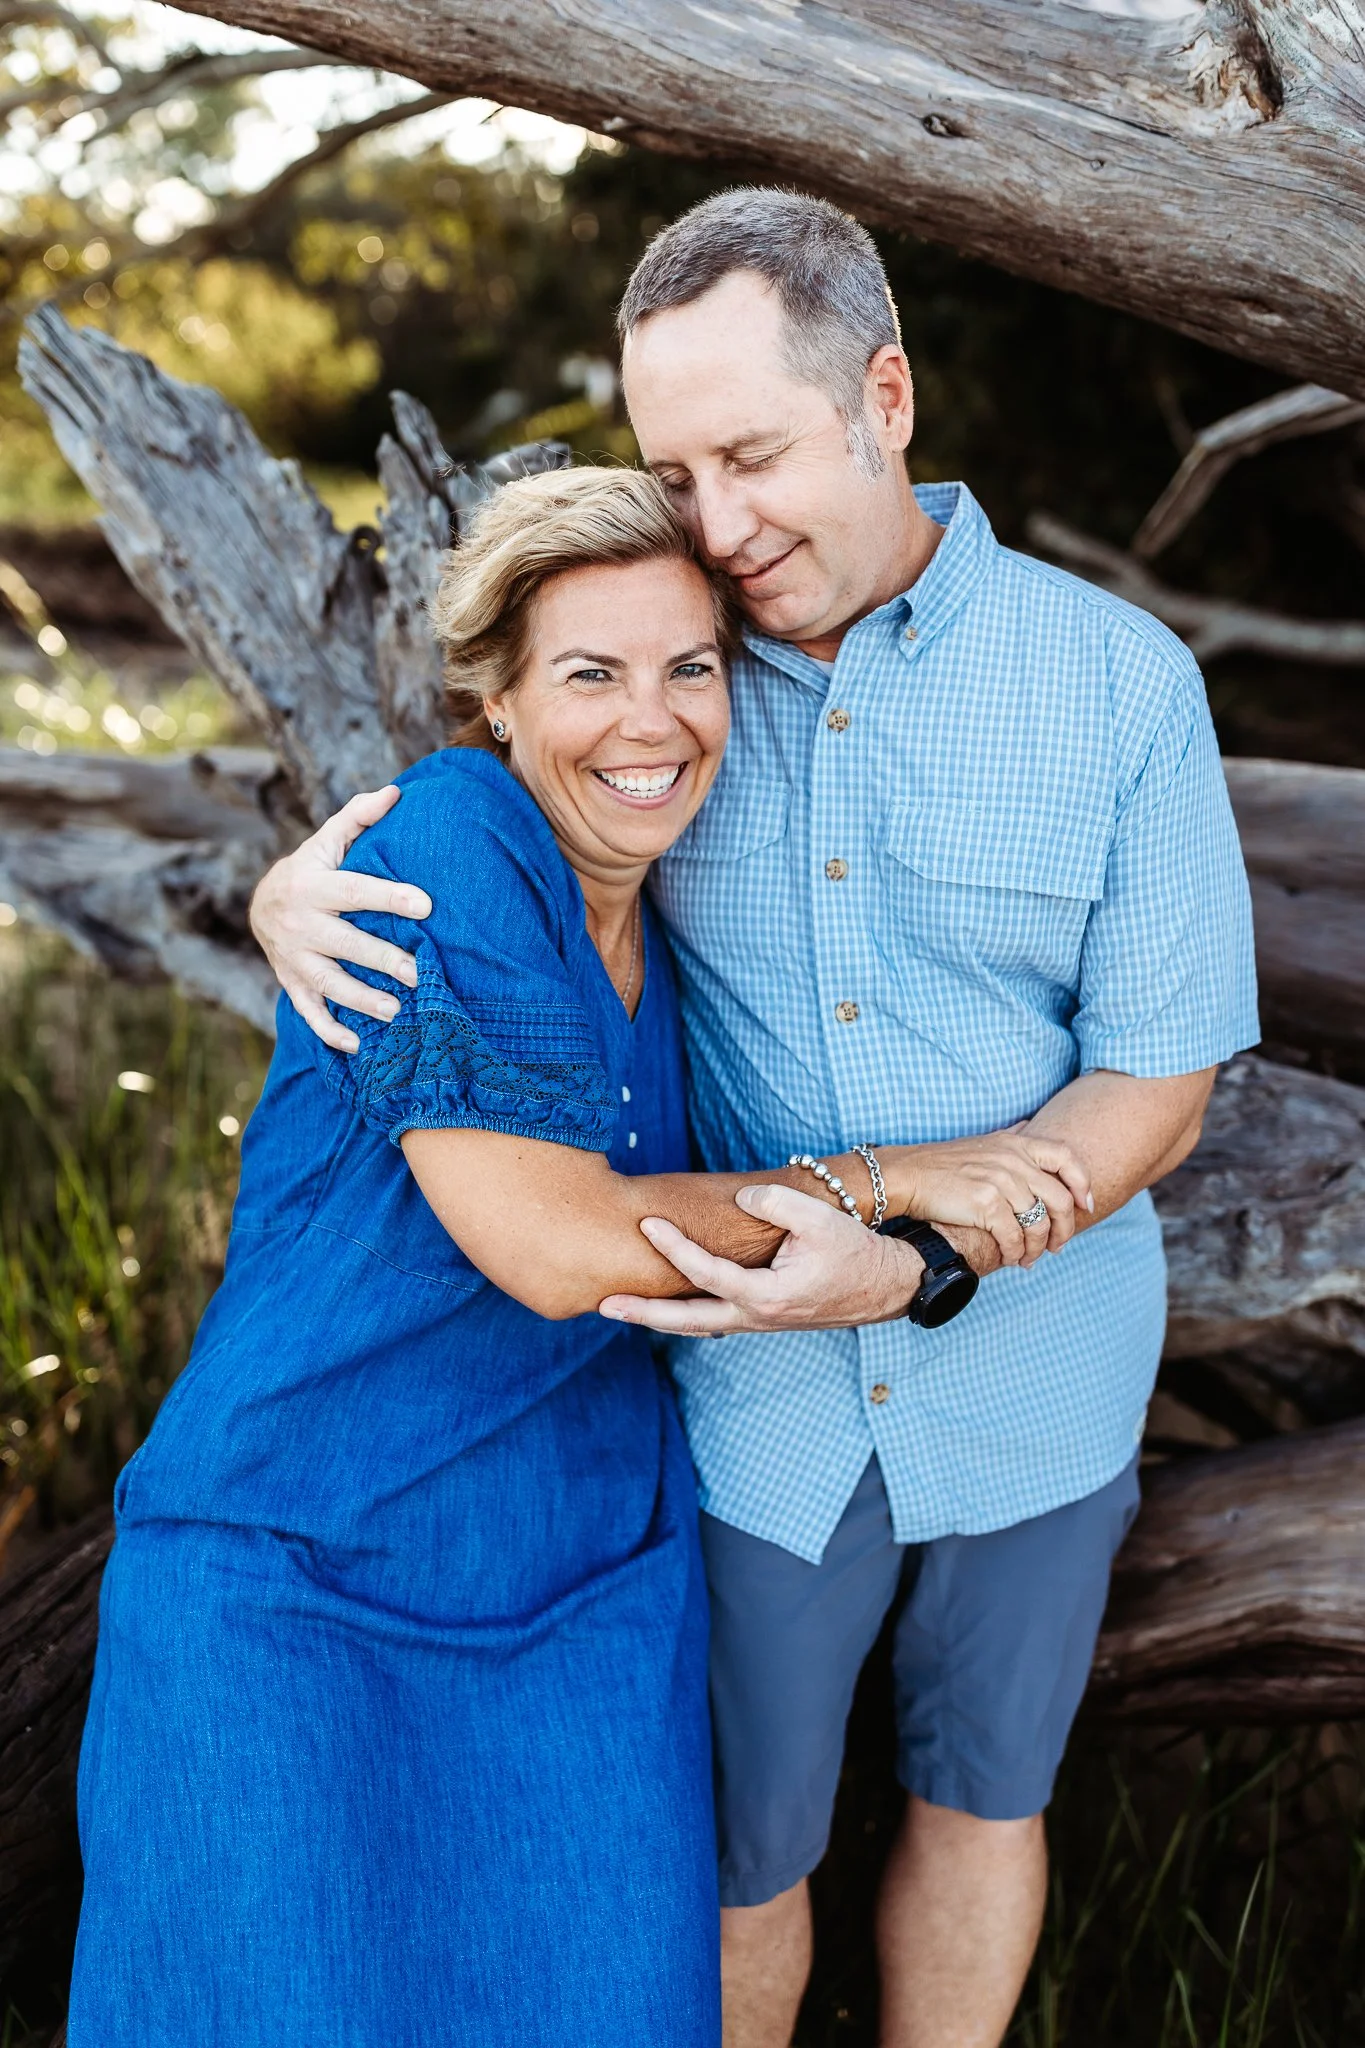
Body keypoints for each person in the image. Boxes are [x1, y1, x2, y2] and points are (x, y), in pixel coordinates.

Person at [251, 191, 1259, 2048]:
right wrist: (281, 895)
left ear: (883, 394)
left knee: (985, 1793)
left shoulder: (1120, 686)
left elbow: (1160, 1079)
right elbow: (498, 821)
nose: (716, 524)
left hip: (1040, 1367)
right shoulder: (676, 661)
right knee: (739, 1848)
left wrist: (927, 1251)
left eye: (751, 454)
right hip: (749, 1392)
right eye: (674, 467)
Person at [70, 462, 1086, 2048]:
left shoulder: (679, 888)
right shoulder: (451, 849)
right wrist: (904, 1185)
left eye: (691, 668)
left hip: (579, 1591)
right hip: (301, 1578)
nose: (651, 721)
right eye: (590, 674)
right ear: (498, 694)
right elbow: (555, 1246)